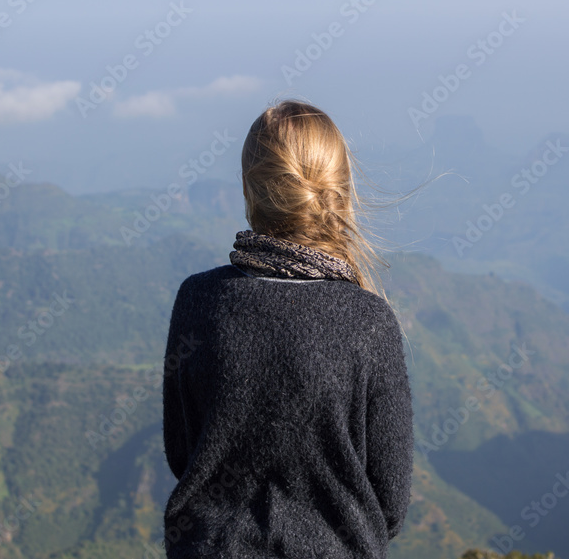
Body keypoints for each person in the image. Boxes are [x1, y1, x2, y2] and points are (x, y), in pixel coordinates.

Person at [162, 100, 415, 558]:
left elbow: (184, 456)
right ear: (341, 191)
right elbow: (389, 503)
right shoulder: (368, 323)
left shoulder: (197, 302)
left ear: (248, 189)